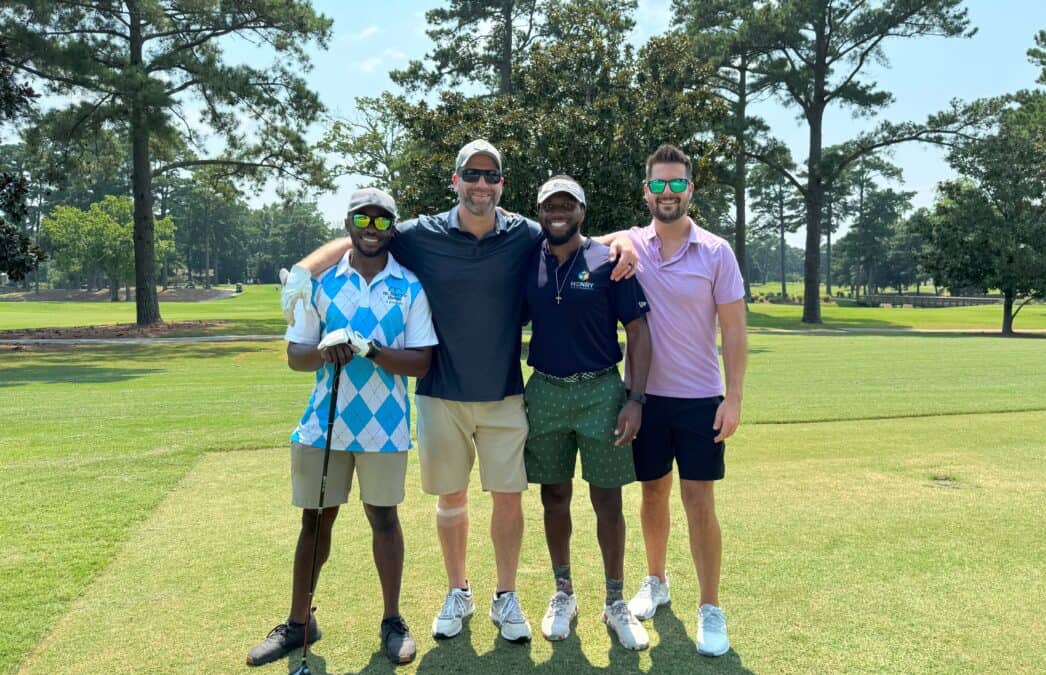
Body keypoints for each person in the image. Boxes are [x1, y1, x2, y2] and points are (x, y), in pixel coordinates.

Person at [280, 140, 640, 644]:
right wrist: (303, 270)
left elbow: (575, 234)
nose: (481, 184)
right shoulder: (420, 234)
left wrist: (624, 243)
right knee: (450, 499)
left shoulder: (524, 233)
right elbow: (362, 236)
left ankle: (506, 595)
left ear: (501, 186)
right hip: (440, 393)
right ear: (456, 180)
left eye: (491, 176)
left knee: (508, 499)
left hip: (504, 393)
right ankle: (458, 590)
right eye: (472, 174)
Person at [248, 188, 437, 667]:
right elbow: (296, 355)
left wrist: (370, 349)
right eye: (362, 219)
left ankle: (392, 619)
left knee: (384, 519)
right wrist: (325, 350)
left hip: (386, 426)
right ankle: (298, 621)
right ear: (349, 223)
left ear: (392, 227)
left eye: (380, 221)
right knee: (314, 520)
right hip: (323, 422)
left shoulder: (410, 286)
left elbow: (420, 362)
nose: (371, 229)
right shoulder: (321, 283)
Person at [615, 144, 748, 657]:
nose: (667, 193)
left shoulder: (716, 252)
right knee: (652, 495)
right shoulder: (630, 243)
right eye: (658, 184)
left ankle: (710, 606)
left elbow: (734, 331)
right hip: (645, 399)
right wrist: (621, 246)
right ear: (646, 190)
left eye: (677, 185)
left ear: (690, 190)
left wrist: (733, 398)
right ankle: (656, 581)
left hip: (700, 400)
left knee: (699, 502)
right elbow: (592, 240)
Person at [523, 176, 653, 650]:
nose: (557, 212)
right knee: (553, 497)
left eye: (567, 205)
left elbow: (638, 330)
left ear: (582, 210)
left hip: (602, 390)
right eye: (549, 205)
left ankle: (615, 600)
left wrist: (635, 399)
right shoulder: (527, 258)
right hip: (546, 392)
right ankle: (564, 592)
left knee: (608, 500)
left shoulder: (608, 259)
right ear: (539, 212)